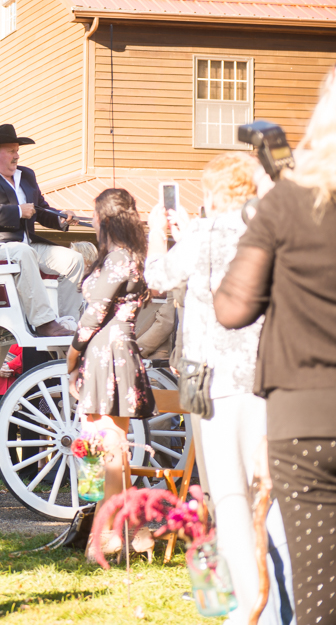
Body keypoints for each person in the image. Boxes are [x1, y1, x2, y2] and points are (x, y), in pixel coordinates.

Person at [215, 69, 336, 625]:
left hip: (306, 421)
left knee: (319, 596)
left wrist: (265, 218)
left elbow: (232, 308)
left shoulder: (287, 204)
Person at [146, 152, 288, 624]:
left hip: (216, 383)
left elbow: (157, 278)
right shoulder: (272, 232)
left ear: (212, 192)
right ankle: (281, 601)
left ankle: (251, 609)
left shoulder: (203, 236)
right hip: (269, 379)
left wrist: (155, 234)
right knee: (269, 498)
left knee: (229, 498)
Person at [66, 188, 156, 556]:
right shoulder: (130, 256)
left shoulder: (118, 258)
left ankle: (107, 533)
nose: (93, 221)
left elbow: (93, 316)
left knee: (106, 448)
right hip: (118, 349)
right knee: (111, 447)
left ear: (106, 218)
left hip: (105, 349)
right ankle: (132, 530)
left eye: (95, 215)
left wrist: (71, 358)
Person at [0, 124, 84, 337]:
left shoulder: (26, 176)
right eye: (12, 151)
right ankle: (45, 323)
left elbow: (39, 209)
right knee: (23, 252)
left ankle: (69, 323)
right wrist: (17, 211)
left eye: (17, 150)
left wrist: (61, 217)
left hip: (25, 244)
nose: (17, 156)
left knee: (74, 260)